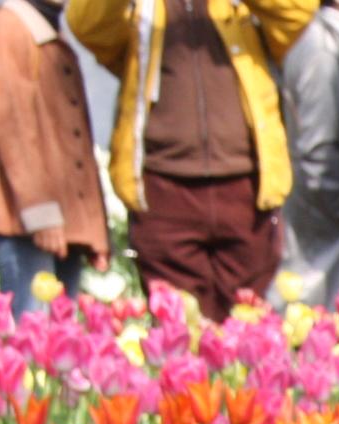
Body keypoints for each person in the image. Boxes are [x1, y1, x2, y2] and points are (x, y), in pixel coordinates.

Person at [68, 0, 321, 321]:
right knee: (178, 327)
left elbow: (298, 12)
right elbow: (86, 25)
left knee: (248, 326)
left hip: (245, 190)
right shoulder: (144, 10)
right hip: (163, 191)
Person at [0, 0, 111, 313]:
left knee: (63, 335)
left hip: (66, 222)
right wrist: (41, 214)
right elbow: (14, 132)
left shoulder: (49, 30)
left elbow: (76, 140)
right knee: (32, 332)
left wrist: (94, 231)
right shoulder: (6, 30)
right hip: (26, 221)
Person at [277, 0, 339, 302]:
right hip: (326, 213)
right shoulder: (322, 49)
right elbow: (318, 151)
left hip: (327, 209)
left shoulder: (335, 39)